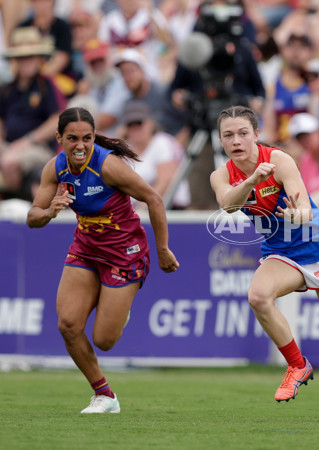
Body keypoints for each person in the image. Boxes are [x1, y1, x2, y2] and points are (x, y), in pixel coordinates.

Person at [210, 105, 319, 422]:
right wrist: (253, 178)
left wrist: (296, 215)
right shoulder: (222, 174)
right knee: (257, 296)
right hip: (281, 253)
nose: (236, 140)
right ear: (221, 140)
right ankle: (297, 364)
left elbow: (304, 208)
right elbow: (228, 204)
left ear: (256, 135)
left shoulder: (279, 160)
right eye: (228, 135)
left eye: (243, 133)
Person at [26, 106, 179, 413]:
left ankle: (119, 308)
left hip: (125, 253)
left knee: (104, 340)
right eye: (72, 138)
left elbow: (154, 199)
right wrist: (50, 210)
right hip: (85, 250)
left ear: (94, 137)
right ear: (59, 138)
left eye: (87, 138)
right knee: (68, 324)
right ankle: (105, 396)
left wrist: (163, 249)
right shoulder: (55, 168)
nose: (80, 145)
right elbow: (32, 217)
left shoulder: (108, 166)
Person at [0, 26, 66, 201]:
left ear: (38, 59)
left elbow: (57, 119)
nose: (26, 61)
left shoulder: (47, 86)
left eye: (30, 56)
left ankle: (16, 202)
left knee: (10, 162)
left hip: (38, 148)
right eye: (21, 57)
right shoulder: (8, 89)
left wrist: (28, 140)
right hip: (9, 145)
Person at [122, 100, 190, 210]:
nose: (135, 128)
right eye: (130, 124)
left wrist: (141, 210)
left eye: (139, 123)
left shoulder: (162, 142)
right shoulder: (125, 151)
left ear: (150, 123)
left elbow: (166, 182)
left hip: (170, 209)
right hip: (137, 213)